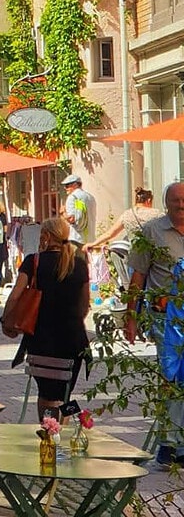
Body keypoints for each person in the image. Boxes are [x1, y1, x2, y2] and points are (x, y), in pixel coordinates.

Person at [1, 217, 89, 422]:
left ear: (46, 236)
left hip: (41, 339)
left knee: (46, 394)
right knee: (65, 392)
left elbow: (15, 295)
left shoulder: (34, 262)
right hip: (73, 340)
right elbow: (84, 305)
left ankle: (48, 429)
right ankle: (64, 427)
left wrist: (6, 320)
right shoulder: (79, 264)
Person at [126, 182, 184, 465]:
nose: (181, 205)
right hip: (165, 318)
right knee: (170, 378)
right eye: (176, 200)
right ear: (166, 202)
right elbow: (137, 277)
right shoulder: (152, 231)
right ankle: (169, 444)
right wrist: (131, 317)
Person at [85, 187, 160, 251]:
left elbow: (110, 234)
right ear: (149, 200)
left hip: (134, 255)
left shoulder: (127, 214)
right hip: (154, 255)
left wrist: (93, 244)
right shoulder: (156, 214)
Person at [60, 174, 96, 247]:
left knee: (75, 255)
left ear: (75, 184)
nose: (65, 188)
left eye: (67, 185)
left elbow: (71, 219)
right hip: (90, 239)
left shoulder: (73, 197)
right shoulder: (90, 197)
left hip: (76, 238)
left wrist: (63, 212)